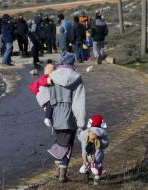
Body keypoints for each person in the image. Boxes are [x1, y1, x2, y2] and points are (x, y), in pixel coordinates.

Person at [46, 51, 86, 183]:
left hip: (56, 115)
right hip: (70, 116)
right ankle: (62, 175)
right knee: (67, 145)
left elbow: (48, 97)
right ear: (72, 63)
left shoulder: (52, 76)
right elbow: (79, 102)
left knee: (60, 143)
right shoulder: (77, 78)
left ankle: (58, 172)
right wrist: (81, 123)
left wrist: (48, 116)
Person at [77, 114, 109, 185]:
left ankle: (87, 173)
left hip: (87, 155)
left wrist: (79, 130)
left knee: (88, 164)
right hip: (98, 156)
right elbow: (105, 144)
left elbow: (79, 137)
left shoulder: (85, 132)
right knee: (98, 167)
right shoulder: (102, 133)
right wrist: (99, 142)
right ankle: (96, 179)